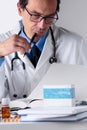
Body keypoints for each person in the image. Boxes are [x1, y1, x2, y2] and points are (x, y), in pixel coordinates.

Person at [0, 0, 87, 100]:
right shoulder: (1, 44)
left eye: (49, 17)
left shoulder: (75, 45)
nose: (42, 25)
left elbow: (84, 96)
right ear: (20, 9)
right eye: (35, 16)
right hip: (15, 116)